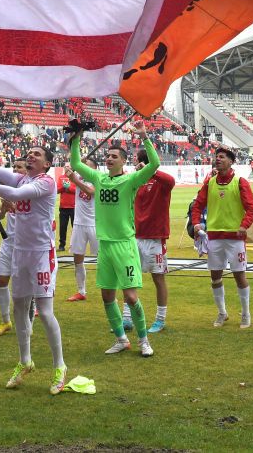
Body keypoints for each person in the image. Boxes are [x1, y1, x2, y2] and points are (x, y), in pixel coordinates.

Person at [0, 140, 67, 395]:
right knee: (19, 307)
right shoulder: (22, 179)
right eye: (29, 153)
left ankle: (60, 367)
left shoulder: (45, 182)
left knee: (44, 311)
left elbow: (14, 195)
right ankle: (25, 361)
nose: (31, 156)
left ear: (46, 163)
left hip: (42, 254)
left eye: (37, 154)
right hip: (20, 253)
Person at [67, 128, 161, 357]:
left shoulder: (131, 180)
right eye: (107, 156)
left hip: (124, 245)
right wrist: (76, 140)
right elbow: (76, 163)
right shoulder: (99, 178)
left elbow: (154, 164)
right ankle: (121, 339)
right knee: (107, 296)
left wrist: (145, 136)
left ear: (124, 161)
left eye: (114, 156)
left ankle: (143, 340)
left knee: (130, 297)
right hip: (105, 245)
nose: (109, 159)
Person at [190, 148, 253, 328]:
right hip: (214, 238)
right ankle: (222, 312)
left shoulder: (240, 182)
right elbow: (197, 205)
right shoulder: (210, 183)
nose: (217, 159)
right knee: (215, 277)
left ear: (231, 161)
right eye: (216, 157)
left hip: (235, 238)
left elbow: (252, 208)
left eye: (222, 157)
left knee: (239, 275)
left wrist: (244, 225)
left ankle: (245, 314)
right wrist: (196, 223)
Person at [132, 148, 176, 334]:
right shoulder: (137, 181)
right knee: (131, 278)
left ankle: (160, 319)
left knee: (158, 279)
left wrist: (152, 170)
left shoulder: (160, 180)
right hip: (136, 235)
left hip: (155, 238)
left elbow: (171, 181)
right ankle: (127, 318)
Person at [0, 158, 28, 336]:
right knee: (1, 281)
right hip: (8, 241)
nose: (15, 170)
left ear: (26, 171)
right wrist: (3, 210)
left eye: (19, 167)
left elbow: (33, 219)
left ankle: (27, 322)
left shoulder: (31, 191)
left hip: (26, 244)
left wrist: (15, 207)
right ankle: (5, 321)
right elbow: (0, 216)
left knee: (26, 285)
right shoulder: (9, 191)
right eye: (14, 167)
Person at [65, 156, 97, 302]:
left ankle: (110, 291)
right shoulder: (79, 177)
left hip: (95, 224)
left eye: (88, 166)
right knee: (77, 258)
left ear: (94, 169)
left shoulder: (99, 179)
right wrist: (76, 162)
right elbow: (69, 166)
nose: (84, 168)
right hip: (79, 223)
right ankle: (81, 291)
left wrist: (75, 179)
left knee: (103, 259)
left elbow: (91, 191)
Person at [56, 167, 76, 251]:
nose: (67, 169)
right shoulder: (61, 177)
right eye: (66, 167)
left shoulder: (75, 178)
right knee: (62, 227)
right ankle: (61, 245)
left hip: (74, 207)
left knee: (75, 227)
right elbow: (57, 190)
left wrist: (69, 188)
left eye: (69, 167)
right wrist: (64, 188)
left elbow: (78, 190)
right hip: (63, 206)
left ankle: (74, 245)